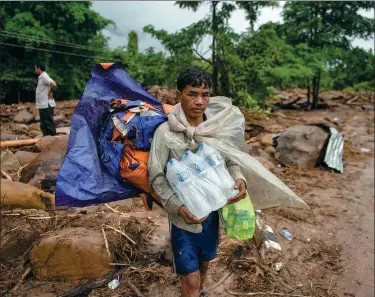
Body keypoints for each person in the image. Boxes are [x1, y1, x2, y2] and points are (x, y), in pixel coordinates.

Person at [148, 66, 247, 297]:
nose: (200, 101)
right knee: (190, 280)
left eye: (205, 95)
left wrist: (239, 179)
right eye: (192, 94)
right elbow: (155, 175)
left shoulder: (214, 129)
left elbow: (231, 161)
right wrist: (178, 207)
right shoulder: (165, 132)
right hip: (183, 221)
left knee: (204, 266)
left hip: (212, 214)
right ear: (179, 95)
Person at [34, 62, 57, 136]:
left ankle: (52, 141)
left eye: (35, 68)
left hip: (47, 104)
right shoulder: (42, 76)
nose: (35, 70)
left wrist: (50, 93)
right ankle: (46, 139)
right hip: (43, 104)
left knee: (48, 123)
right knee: (43, 123)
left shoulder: (44, 76)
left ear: (39, 68)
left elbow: (53, 84)